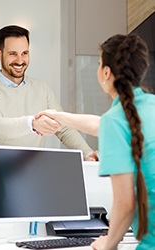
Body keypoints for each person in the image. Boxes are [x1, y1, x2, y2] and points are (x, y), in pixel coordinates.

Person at [37, 33, 155, 249]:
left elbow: (125, 204)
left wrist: (108, 242)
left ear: (106, 73)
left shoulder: (116, 120)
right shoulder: (148, 106)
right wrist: (60, 117)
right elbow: (101, 124)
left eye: (99, 64)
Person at [0, 25, 98, 160]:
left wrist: (87, 153)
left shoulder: (42, 88)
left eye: (24, 53)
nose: (20, 61)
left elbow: (64, 128)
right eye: (13, 54)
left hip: (34, 167)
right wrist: (32, 123)